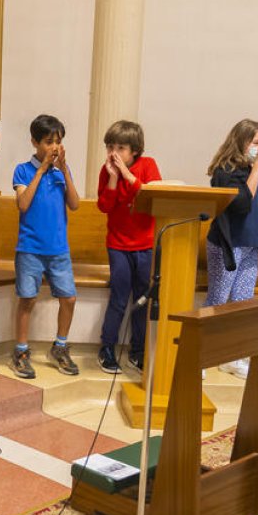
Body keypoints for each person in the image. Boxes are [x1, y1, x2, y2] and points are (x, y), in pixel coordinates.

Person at [204, 119, 258, 379]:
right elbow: (240, 204)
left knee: (242, 301)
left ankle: (234, 358)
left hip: (250, 244)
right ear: (241, 141)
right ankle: (200, 355)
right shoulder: (225, 170)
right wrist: (256, 170)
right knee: (218, 298)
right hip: (228, 244)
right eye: (256, 142)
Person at [9, 114, 81, 379]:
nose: (54, 147)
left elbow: (75, 204)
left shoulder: (62, 172)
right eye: (49, 141)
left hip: (58, 249)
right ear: (35, 142)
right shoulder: (23, 170)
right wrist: (41, 171)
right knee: (28, 299)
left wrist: (65, 170)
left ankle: (60, 347)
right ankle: (21, 351)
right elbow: (23, 204)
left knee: (69, 298)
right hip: (30, 248)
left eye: (58, 141)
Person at [96, 120, 162, 374]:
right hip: (118, 246)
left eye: (120, 148)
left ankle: (138, 352)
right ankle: (107, 348)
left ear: (134, 150)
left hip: (145, 245)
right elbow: (104, 206)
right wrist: (113, 178)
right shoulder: (106, 171)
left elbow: (151, 196)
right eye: (110, 147)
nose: (113, 153)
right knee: (119, 298)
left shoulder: (148, 165)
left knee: (143, 299)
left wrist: (126, 174)